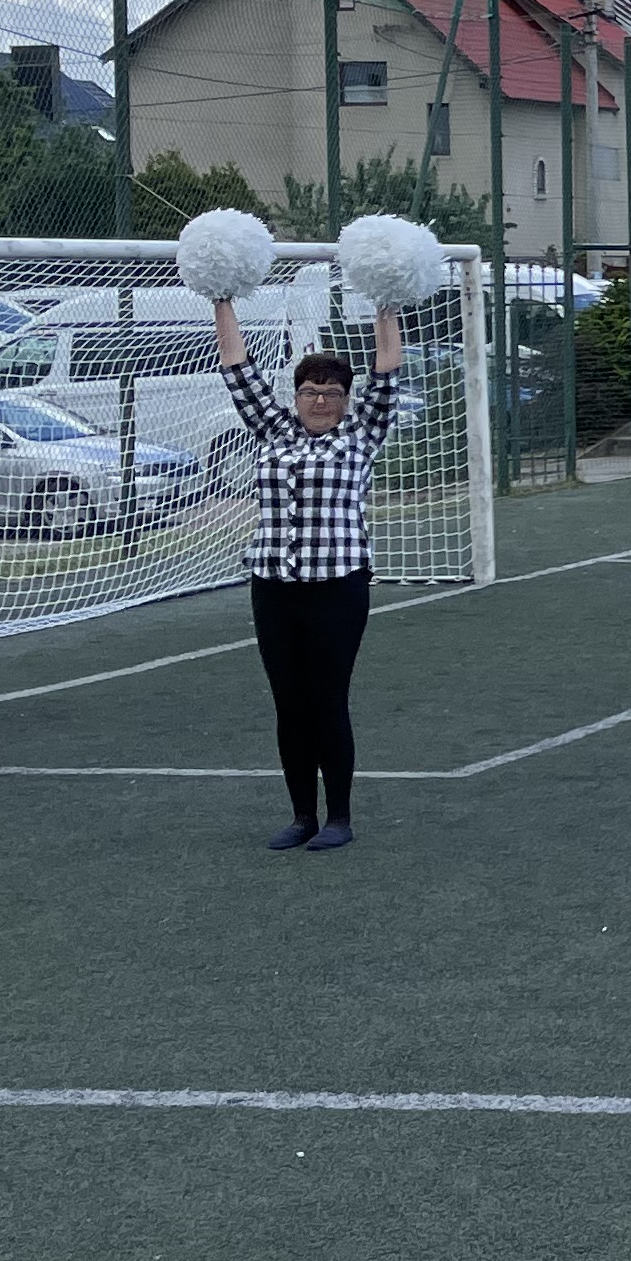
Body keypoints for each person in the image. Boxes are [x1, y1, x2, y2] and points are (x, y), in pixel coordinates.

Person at [214, 296, 408, 852]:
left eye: (331, 392)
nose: (319, 400)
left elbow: (387, 371)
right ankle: (301, 816)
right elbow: (237, 369)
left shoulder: (362, 435)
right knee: (289, 703)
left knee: (327, 699)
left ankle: (339, 817)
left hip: (337, 588)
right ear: (295, 395)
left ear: (346, 400)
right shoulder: (273, 430)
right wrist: (221, 297)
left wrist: (386, 304)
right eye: (309, 391)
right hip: (273, 586)